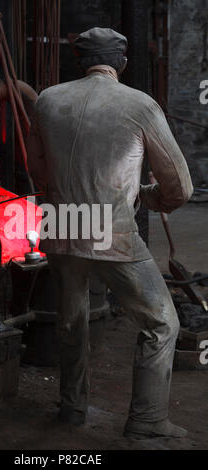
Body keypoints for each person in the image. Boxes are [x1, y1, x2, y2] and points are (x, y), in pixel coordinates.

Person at [26, 27, 193, 439]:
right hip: (109, 229)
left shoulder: (48, 100)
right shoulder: (140, 105)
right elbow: (182, 188)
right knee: (161, 323)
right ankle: (148, 422)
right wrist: (152, 198)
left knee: (72, 318)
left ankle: (72, 409)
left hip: (60, 225)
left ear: (80, 62)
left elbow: (38, 171)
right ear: (121, 63)